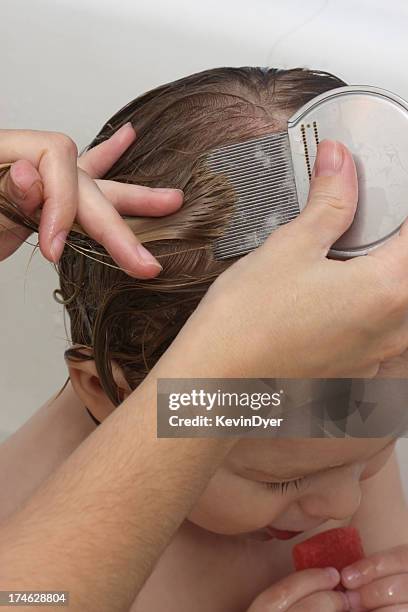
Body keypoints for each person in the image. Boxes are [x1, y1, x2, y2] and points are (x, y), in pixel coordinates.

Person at [1, 66, 408, 611]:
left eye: (379, 450)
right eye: (282, 482)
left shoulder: (339, 417)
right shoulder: (23, 527)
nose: (345, 500)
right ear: (109, 393)